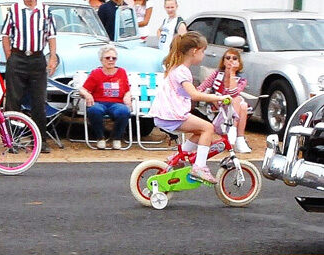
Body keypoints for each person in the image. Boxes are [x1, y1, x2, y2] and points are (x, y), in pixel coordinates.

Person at [148, 31, 231, 183]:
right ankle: (199, 167)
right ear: (194, 51)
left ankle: (179, 156)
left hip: (167, 114)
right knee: (208, 128)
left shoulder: (177, 68)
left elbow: (188, 93)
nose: (204, 55)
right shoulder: (182, 71)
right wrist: (218, 97)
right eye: (203, 51)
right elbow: (194, 95)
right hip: (172, 115)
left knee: (200, 132)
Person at [1, 0, 59, 153]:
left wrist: (52, 57)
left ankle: (40, 140)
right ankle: (11, 141)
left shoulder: (46, 10)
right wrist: (10, 56)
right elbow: (5, 34)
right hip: (18, 57)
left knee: (39, 101)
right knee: (13, 100)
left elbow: (51, 35)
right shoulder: (14, 9)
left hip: (36, 58)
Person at [78, 45, 132, 149]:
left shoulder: (122, 72)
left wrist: (127, 95)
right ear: (101, 60)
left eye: (114, 58)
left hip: (117, 103)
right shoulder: (96, 73)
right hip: (99, 102)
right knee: (94, 110)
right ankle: (100, 138)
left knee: (124, 111)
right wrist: (87, 94)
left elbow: (127, 89)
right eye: (107, 58)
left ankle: (116, 138)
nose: (111, 60)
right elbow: (82, 89)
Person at [199, 47, 253, 154]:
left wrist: (232, 73)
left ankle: (238, 137)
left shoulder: (241, 78)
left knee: (242, 105)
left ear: (239, 62)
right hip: (218, 104)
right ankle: (235, 133)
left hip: (231, 105)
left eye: (234, 58)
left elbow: (233, 92)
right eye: (228, 58)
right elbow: (202, 87)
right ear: (223, 61)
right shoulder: (217, 74)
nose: (231, 60)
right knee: (237, 100)